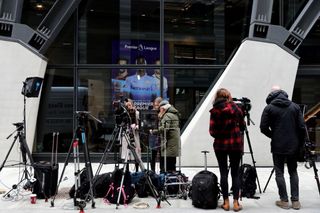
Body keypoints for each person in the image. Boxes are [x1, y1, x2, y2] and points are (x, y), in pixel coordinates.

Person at [260, 86, 305, 210]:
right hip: (293, 145)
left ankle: (284, 200)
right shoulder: (295, 107)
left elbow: (263, 128)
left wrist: (274, 136)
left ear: (271, 94)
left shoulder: (269, 108)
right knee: (293, 172)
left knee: (279, 172)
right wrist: (300, 143)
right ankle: (295, 201)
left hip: (278, 145)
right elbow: (302, 127)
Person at [209, 88, 245, 211]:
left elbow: (212, 132)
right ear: (228, 96)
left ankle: (225, 202)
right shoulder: (236, 108)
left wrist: (221, 133)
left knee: (223, 173)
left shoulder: (214, 111)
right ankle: (235, 203)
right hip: (235, 144)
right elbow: (243, 125)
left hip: (220, 145)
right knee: (235, 173)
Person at [150, 100, 180, 173]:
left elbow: (164, 129)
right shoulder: (174, 114)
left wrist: (154, 131)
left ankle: (167, 178)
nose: (159, 110)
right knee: (172, 163)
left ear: (163, 108)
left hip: (169, 143)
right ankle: (172, 179)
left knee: (168, 164)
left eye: (160, 108)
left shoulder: (167, 115)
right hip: (173, 142)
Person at [120, 99, 141, 172]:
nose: (128, 107)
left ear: (132, 105)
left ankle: (137, 171)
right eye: (126, 105)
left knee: (136, 153)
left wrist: (137, 127)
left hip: (134, 135)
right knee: (126, 153)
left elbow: (140, 124)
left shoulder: (137, 113)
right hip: (126, 135)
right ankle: (127, 171)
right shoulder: (123, 114)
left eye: (129, 105)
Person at [148, 97, 163, 172]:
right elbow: (147, 122)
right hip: (153, 135)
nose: (156, 107)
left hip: (160, 135)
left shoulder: (162, 113)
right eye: (155, 105)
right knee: (152, 155)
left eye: (157, 105)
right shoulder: (151, 112)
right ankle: (152, 171)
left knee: (161, 154)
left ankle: (161, 170)